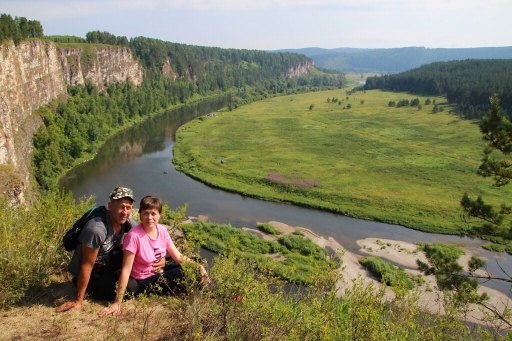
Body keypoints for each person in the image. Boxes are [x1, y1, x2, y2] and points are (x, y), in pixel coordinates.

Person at [56, 187, 165, 312]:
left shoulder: (125, 221)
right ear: (110, 206)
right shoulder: (97, 230)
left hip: (108, 264)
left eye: (128, 207)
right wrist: (78, 301)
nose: (124, 212)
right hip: (93, 273)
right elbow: (87, 265)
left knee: (140, 253)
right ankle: (89, 287)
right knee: (131, 287)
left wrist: (161, 257)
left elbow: (145, 235)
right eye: (121, 207)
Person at [99, 195, 210, 317]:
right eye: (146, 213)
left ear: (159, 215)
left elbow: (178, 256)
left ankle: (211, 287)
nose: (149, 218)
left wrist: (199, 266)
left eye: (153, 214)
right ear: (140, 214)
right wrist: (117, 302)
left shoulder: (162, 230)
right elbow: (126, 270)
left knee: (198, 262)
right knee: (186, 272)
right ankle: (215, 293)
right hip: (143, 281)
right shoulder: (134, 236)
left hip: (159, 272)